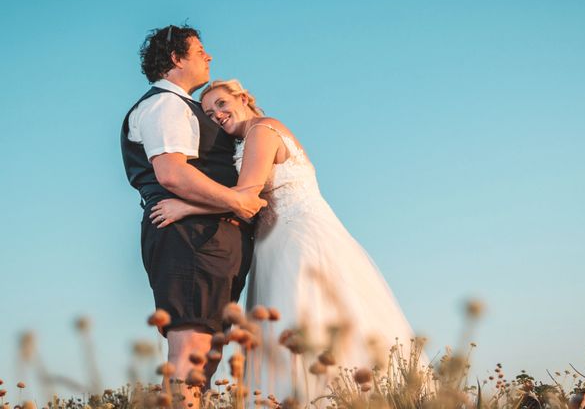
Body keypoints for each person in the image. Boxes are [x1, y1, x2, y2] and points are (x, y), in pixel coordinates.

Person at [150, 79, 423, 403]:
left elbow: (247, 194)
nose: (217, 115)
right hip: (272, 244)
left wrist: (186, 206)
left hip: (297, 239)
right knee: (286, 333)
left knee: (305, 321)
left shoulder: (262, 130)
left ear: (243, 98)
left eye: (222, 104)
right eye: (209, 113)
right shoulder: (246, 141)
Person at [120, 27, 266, 404]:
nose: (209, 57)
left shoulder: (184, 107)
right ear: (176, 58)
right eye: (200, 50)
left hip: (210, 240)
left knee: (208, 353)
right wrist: (236, 201)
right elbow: (171, 172)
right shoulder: (165, 105)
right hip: (190, 240)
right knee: (191, 352)